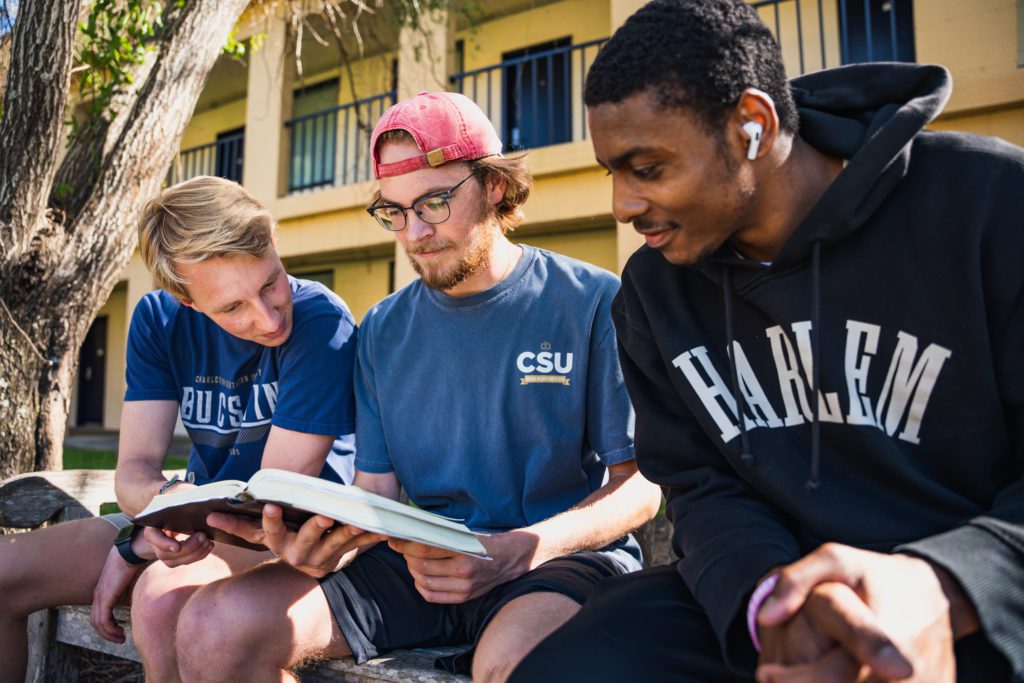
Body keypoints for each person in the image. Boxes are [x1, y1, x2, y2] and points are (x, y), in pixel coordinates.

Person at [510, 1, 1024, 681]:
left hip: (975, 592)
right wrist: (771, 606)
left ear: (752, 125)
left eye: (648, 168)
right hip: (768, 591)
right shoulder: (654, 291)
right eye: (613, 171)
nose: (622, 205)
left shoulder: (989, 204)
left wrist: (945, 583)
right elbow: (700, 488)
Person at [163, 91, 662, 683]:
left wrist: (516, 550)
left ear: (494, 186)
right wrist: (327, 545)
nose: (415, 231)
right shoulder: (380, 329)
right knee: (213, 625)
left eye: (434, 201)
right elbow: (374, 491)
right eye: (395, 211)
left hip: (552, 561)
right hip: (420, 563)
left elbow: (640, 489)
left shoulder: (591, 300)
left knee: (517, 663)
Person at [0, 175, 358, 680]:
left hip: (295, 539)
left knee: (160, 595)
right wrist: (149, 524)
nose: (268, 318)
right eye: (232, 307)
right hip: (191, 522)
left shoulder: (321, 323)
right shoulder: (159, 319)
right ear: (187, 302)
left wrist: (140, 540)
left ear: (274, 242)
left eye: (270, 283)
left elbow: (267, 509)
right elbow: (134, 474)